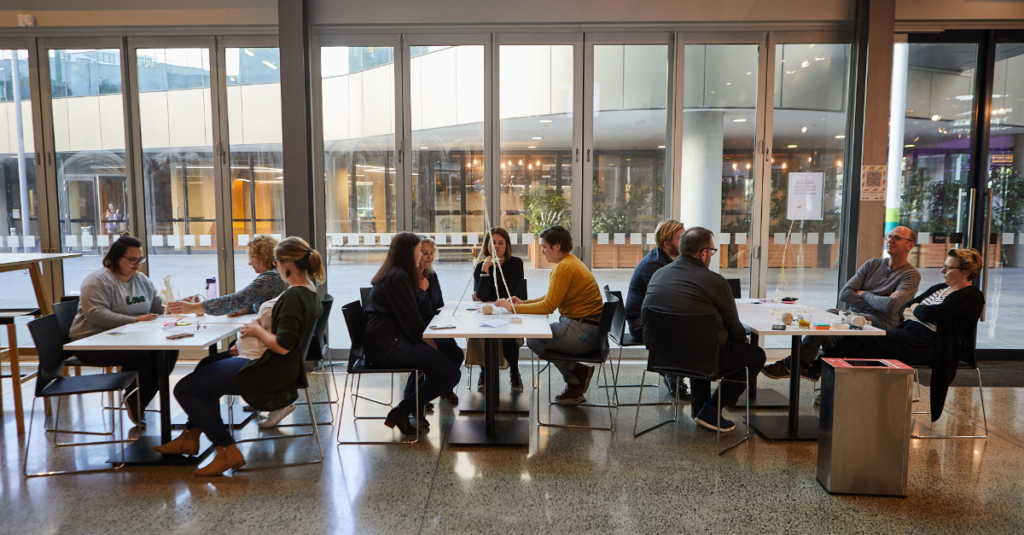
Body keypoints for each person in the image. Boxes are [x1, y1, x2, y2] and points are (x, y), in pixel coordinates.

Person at [155, 237, 324, 477]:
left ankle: (227, 449)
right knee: (206, 364)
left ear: (287, 263)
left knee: (185, 389)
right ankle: (190, 436)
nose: (275, 266)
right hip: (270, 363)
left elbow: (285, 346)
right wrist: (252, 338)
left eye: (276, 261)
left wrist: (256, 331)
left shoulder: (293, 297)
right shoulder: (308, 290)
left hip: (265, 369)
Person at [821, 248, 984, 420]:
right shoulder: (940, 288)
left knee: (861, 337)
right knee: (859, 346)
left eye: (948, 268)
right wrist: (916, 310)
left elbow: (930, 314)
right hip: (908, 334)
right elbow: (903, 308)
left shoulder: (971, 296)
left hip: (927, 345)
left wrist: (915, 310)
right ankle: (850, 400)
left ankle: (820, 370)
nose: (943, 271)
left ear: (965, 272)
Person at [641, 227, 766, 432]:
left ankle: (699, 409)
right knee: (755, 355)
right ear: (703, 253)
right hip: (702, 359)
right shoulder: (715, 281)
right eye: (712, 251)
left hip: (662, 357)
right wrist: (740, 341)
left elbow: (646, 317)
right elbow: (735, 328)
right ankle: (712, 411)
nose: (711, 256)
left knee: (699, 343)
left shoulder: (658, 275)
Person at [763, 225, 921, 380]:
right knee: (828, 315)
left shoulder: (910, 275)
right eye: (889, 236)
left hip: (880, 323)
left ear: (910, 245)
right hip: (853, 315)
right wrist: (880, 301)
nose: (891, 240)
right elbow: (845, 294)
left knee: (847, 330)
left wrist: (863, 293)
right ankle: (804, 362)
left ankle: (802, 367)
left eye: (897, 238)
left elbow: (892, 306)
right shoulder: (872, 264)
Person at [363, 232, 461, 435]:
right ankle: (405, 409)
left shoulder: (397, 274)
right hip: (387, 348)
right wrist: (420, 292)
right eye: (419, 251)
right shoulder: (398, 278)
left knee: (454, 354)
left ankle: (411, 403)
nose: (423, 257)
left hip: (394, 340)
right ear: (410, 253)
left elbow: (412, 318)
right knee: (451, 373)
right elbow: (413, 323)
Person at [70, 235, 173, 427]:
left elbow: (158, 309)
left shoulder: (141, 279)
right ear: (116, 258)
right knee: (143, 355)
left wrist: (175, 306)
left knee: (168, 351)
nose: (137, 264)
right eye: (132, 260)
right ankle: (134, 398)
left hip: (128, 339)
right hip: (91, 342)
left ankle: (138, 400)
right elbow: (95, 315)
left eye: (140, 259)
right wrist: (134, 319)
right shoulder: (98, 280)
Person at [495, 225, 604, 405]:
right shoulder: (572, 262)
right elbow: (550, 298)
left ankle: (578, 373)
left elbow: (548, 306)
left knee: (535, 340)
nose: (543, 251)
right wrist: (523, 303)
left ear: (557, 246)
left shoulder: (563, 268)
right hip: (586, 329)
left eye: (545, 246)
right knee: (537, 336)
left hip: (582, 333)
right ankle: (575, 383)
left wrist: (513, 309)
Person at [623, 219, 686, 398]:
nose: (686, 241)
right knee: (687, 330)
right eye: (681, 238)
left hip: (655, 318)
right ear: (667, 243)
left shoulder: (669, 260)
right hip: (641, 324)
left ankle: (675, 374)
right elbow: (668, 301)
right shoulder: (654, 266)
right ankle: (673, 376)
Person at [166, 234, 288, 317]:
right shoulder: (278, 276)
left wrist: (192, 308)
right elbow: (264, 302)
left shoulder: (269, 279)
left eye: (252, 258)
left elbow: (236, 299)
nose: (249, 262)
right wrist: (244, 309)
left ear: (262, 257)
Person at [408, 237, 464, 406]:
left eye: (431, 253)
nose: (429, 257)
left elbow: (438, 302)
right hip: (416, 328)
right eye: (425, 253)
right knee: (439, 353)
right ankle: (418, 394)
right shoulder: (408, 277)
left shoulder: (431, 275)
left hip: (432, 323)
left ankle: (441, 388)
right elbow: (411, 310)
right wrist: (421, 290)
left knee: (454, 350)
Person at [470, 227, 526, 393]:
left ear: (507, 245)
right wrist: (486, 267)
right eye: (493, 242)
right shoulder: (481, 265)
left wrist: (484, 295)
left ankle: (514, 372)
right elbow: (481, 295)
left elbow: (511, 292)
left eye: (501, 243)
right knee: (480, 337)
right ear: (487, 245)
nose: (497, 246)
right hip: (487, 313)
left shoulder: (515, 263)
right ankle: (484, 372)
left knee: (507, 338)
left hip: (508, 312)